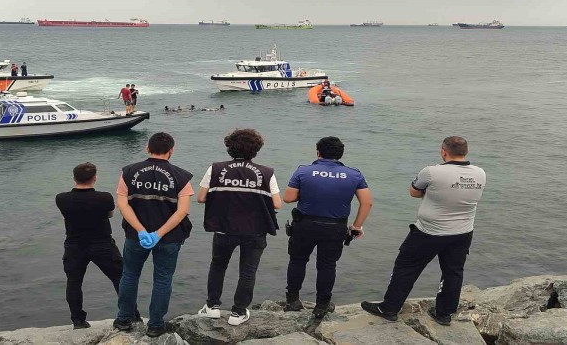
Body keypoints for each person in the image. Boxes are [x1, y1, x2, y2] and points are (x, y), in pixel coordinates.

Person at [361, 136, 486, 326]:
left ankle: (390, 308)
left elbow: (414, 192)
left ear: (444, 151)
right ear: (466, 152)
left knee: (406, 267)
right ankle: (444, 313)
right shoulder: (480, 173)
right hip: (463, 232)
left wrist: (434, 192)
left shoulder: (431, 172)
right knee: (453, 272)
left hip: (429, 231)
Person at [197, 129, 282, 326]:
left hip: (224, 227)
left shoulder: (216, 168)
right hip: (255, 229)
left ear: (230, 147)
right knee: (248, 271)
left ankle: (212, 306)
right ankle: (238, 312)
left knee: (218, 265)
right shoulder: (266, 172)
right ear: (256, 149)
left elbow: (201, 198)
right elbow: (277, 204)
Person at [113, 132, 194, 338]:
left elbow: (122, 204)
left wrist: (141, 230)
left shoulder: (128, 172)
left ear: (147, 148)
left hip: (135, 236)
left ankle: (124, 319)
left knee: (130, 275)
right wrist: (158, 234)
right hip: (169, 238)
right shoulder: (182, 176)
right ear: (171, 150)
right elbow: (182, 211)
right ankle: (156, 325)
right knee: (162, 279)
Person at [283, 136, 373, 319]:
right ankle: (322, 305)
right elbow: (367, 203)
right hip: (335, 227)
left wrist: (309, 193)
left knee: (297, 261)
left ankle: (292, 301)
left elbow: (288, 198)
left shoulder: (303, 171)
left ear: (318, 152)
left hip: (305, 225)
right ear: (340, 154)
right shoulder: (354, 174)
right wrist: (356, 226)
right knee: (327, 265)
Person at [55, 163, 138, 329]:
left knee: (74, 283)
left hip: (74, 245)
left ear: (74, 178)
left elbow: (65, 216)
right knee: (120, 278)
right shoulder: (104, 197)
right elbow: (110, 214)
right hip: (102, 244)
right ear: (95, 178)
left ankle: (78, 320)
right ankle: (131, 315)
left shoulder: (61, 198)